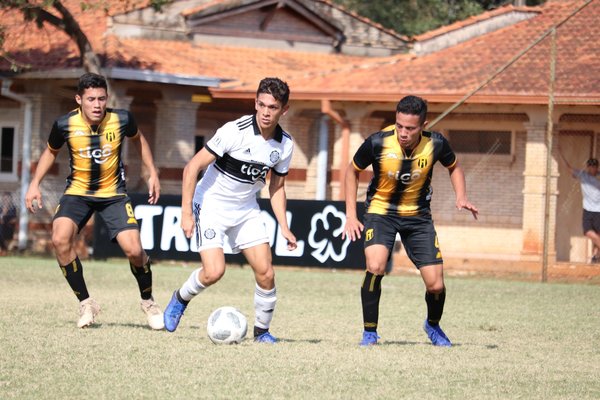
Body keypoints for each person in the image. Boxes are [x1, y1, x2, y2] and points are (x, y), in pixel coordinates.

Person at [24, 72, 164, 330]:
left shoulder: (122, 119)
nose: (97, 105)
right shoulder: (64, 124)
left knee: (134, 250)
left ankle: (148, 302)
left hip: (113, 194)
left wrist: (151, 172)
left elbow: (139, 140)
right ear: (79, 99)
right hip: (77, 193)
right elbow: (50, 152)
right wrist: (34, 184)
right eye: (91, 99)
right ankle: (86, 303)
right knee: (59, 238)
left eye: (101, 98)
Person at [163, 77, 297, 343]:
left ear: (284, 110)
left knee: (266, 272)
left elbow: (277, 187)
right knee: (214, 272)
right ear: (255, 103)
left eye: (272, 107)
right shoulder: (234, 131)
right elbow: (192, 168)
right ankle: (180, 298)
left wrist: (284, 226)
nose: (266, 112)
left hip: (246, 210)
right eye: (261, 105)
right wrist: (187, 213)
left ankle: (262, 332)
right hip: (211, 204)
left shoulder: (285, 144)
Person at [343, 95, 478, 347]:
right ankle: (369, 332)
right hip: (381, 212)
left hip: (418, 216)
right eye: (399, 126)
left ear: (423, 125)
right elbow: (351, 172)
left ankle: (433, 325)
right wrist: (350, 215)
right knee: (376, 266)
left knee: (436, 285)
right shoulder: (377, 142)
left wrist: (461, 196)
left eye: (410, 128)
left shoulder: (436, 144)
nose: (403, 133)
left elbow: (454, 167)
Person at [558, 149, 600, 263]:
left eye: (594, 167)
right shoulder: (583, 175)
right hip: (588, 209)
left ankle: (595, 257)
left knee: (597, 234)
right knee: (587, 231)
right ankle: (596, 256)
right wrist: (559, 152)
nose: (592, 169)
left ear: (597, 167)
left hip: (599, 210)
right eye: (590, 167)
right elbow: (568, 167)